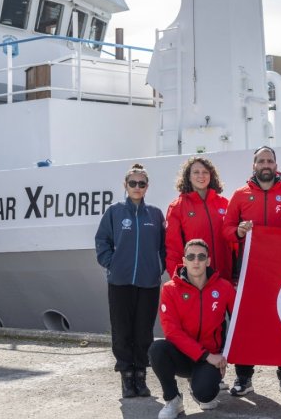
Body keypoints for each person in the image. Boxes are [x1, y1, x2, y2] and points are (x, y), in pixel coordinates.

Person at [222, 146, 281, 397]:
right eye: (261, 161)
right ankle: (244, 377)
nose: (265, 164)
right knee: (247, 323)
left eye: (270, 160)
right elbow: (227, 229)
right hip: (248, 270)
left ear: (276, 166)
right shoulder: (240, 194)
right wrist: (239, 232)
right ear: (254, 166)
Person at [94, 163, 165, 399]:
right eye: (132, 183)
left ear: (147, 187)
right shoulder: (114, 212)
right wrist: (111, 263)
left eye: (141, 183)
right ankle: (126, 376)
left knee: (143, 331)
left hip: (148, 282)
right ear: (125, 185)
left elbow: (164, 247)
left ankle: (140, 376)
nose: (137, 187)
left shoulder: (155, 214)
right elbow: (102, 239)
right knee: (122, 330)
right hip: (120, 281)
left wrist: (159, 267)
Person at [150, 238, 236, 419]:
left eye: (201, 256)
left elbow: (240, 321)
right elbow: (172, 332)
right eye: (191, 256)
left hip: (210, 358)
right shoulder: (169, 289)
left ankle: (197, 385)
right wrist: (206, 355)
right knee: (157, 349)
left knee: (205, 396)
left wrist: (225, 355)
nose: (196, 261)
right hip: (187, 356)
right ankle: (173, 400)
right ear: (184, 260)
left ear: (208, 261)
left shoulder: (224, 287)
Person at [165, 157, 231, 278]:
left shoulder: (224, 203)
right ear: (188, 177)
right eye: (196, 172)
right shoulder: (177, 207)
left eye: (205, 172)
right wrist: (177, 277)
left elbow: (234, 241)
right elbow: (173, 247)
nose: (201, 175)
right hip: (195, 279)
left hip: (224, 276)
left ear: (211, 176)